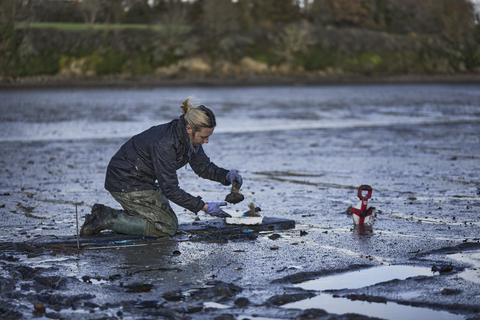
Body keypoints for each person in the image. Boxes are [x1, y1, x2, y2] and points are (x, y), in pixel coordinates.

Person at [79, 96, 242, 237]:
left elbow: (203, 167)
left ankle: (125, 216)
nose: (207, 141)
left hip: (143, 181)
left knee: (167, 220)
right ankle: (104, 217)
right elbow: (170, 189)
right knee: (167, 227)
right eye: (204, 137)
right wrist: (204, 207)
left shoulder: (189, 139)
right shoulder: (166, 143)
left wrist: (226, 176)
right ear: (189, 128)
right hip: (125, 181)